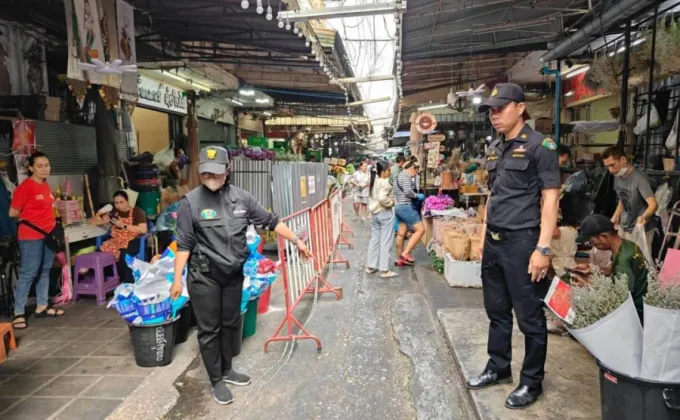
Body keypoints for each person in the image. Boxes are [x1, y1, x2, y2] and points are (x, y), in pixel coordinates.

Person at [170, 146, 312, 405]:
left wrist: (297, 241)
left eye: (216, 174)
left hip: (233, 275)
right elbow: (184, 245)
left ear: (227, 171)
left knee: (231, 323)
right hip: (205, 277)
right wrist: (177, 280)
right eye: (206, 175)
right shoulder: (190, 203)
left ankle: (226, 369)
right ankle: (215, 379)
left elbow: (271, 221)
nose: (211, 179)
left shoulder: (242, 199)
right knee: (209, 329)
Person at [466, 83, 560, 409]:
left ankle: (531, 382)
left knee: (530, 318)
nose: (494, 115)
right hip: (494, 243)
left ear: (520, 108)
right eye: (491, 110)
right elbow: (493, 197)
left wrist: (543, 249)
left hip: (523, 243)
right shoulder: (495, 147)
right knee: (497, 313)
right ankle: (498, 367)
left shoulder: (540, 146)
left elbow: (550, 201)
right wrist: (482, 236)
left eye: (500, 108)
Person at [9, 151, 64, 329]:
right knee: (28, 273)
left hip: (48, 235)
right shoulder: (24, 188)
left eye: (46, 165)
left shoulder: (45, 185)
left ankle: (42, 306)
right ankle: (18, 312)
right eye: (39, 166)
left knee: (45, 270)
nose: (44, 169)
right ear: (31, 167)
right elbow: (13, 213)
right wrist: (32, 221)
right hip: (31, 236)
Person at [571, 214, 648, 321]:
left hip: (635, 315)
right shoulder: (626, 245)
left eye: (592, 241)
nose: (593, 245)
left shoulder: (624, 261)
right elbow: (614, 269)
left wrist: (587, 285)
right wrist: (593, 269)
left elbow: (619, 300)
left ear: (603, 236)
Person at [602, 147, 658, 249]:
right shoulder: (617, 176)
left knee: (639, 261)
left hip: (641, 229)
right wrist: (615, 216)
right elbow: (622, 198)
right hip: (625, 227)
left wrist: (643, 217)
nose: (610, 170)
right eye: (607, 167)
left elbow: (653, 204)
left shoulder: (640, 178)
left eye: (612, 165)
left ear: (623, 160)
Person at [89, 191, 148, 283]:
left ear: (127, 201)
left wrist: (123, 225)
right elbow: (91, 221)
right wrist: (102, 219)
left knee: (123, 256)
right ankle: (106, 282)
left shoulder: (137, 212)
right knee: (99, 255)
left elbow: (143, 229)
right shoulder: (114, 213)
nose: (119, 205)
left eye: (121, 202)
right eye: (116, 203)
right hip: (116, 241)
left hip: (132, 240)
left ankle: (128, 282)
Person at [366, 160, 398, 278]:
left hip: (374, 213)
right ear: (383, 172)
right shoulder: (385, 182)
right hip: (384, 213)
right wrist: (391, 202)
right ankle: (384, 270)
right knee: (386, 241)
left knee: (374, 240)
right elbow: (382, 198)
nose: (390, 172)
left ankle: (371, 266)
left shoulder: (374, 180)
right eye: (389, 170)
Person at [394, 160, 425, 266]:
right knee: (420, 230)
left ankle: (400, 259)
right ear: (412, 168)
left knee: (401, 233)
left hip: (398, 206)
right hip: (405, 207)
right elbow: (408, 192)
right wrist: (417, 196)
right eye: (415, 172)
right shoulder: (406, 176)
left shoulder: (399, 176)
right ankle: (405, 254)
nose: (415, 174)